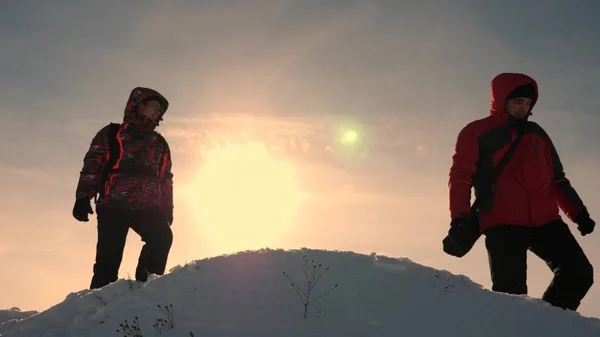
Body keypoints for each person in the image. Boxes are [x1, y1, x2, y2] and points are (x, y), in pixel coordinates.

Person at [447, 72, 595, 311]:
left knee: (579, 273)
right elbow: (460, 177)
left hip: (546, 220)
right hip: (502, 221)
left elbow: (557, 179)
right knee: (511, 295)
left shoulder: (538, 134)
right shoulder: (477, 132)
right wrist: (460, 217)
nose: (523, 108)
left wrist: (579, 214)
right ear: (501, 99)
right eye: (518, 102)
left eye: (528, 103)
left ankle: (544, 325)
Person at [72, 87, 174, 289]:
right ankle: (98, 306)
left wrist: (167, 208)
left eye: (159, 110)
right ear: (138, 106)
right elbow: (93, 164)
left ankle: (146, 290)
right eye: (152, 107)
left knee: (162, 238)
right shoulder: (112, 133)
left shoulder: (159, 142)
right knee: (108, 261)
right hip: (113, 205)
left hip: (148, 207)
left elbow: (165, 177)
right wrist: (83, 197)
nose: (155, 112)